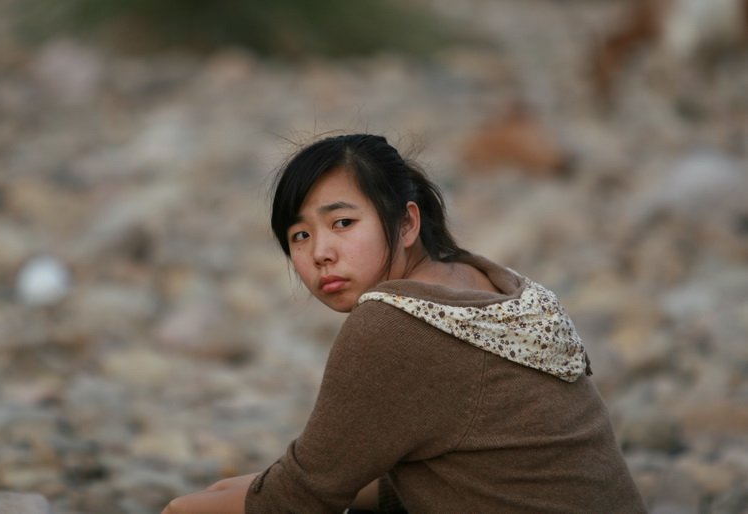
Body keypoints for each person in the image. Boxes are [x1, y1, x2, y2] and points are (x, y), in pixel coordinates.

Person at [162, 134, 647, 513]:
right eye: (299, 235)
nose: (320, 253)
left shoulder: (391, 324)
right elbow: (472, 464)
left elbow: (298, 500)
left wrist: (178, 509)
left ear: (407, 223)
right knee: (241, 490)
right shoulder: (493, 281)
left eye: (342, 223)